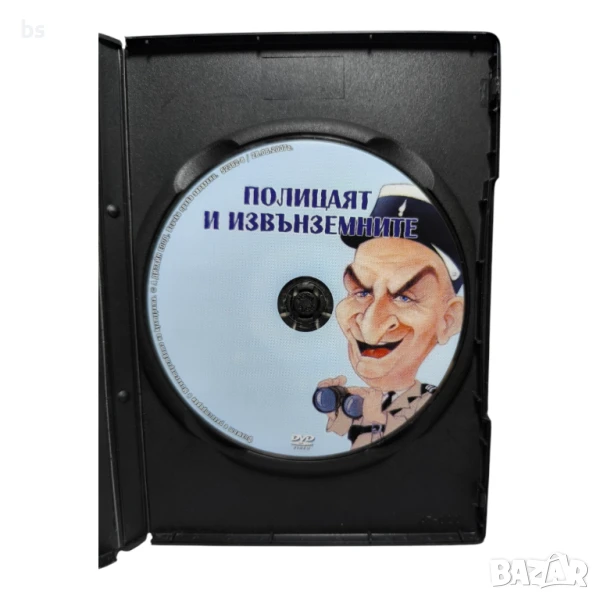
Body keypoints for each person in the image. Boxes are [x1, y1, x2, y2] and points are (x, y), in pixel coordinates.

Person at [316, 184, 464, 449]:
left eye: (404, 297)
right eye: (361, 292)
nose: (370, 326)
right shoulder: (363, 398)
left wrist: (374, 421)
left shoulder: (433, 405)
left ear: (448, 320)